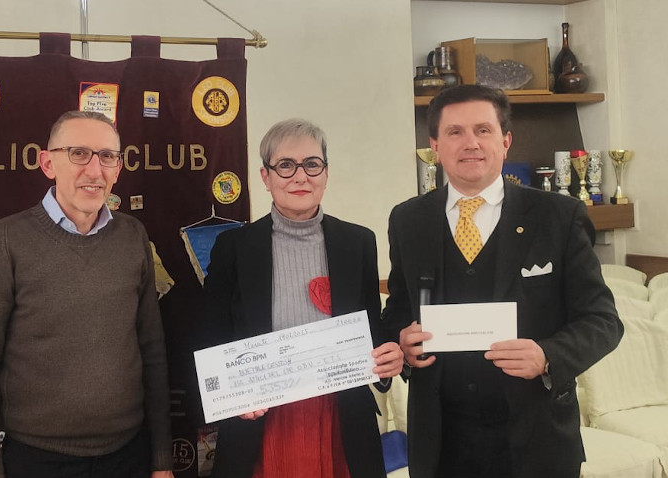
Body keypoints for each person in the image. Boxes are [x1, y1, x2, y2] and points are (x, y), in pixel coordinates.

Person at [384, 84, 623, 478]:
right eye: (455, 132)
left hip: (537, 441)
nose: (471, 143)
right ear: (435, 146)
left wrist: (547, 355)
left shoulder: (559, 216)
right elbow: (399, 310)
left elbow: (603, 321)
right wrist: (402, 341)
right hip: (440, 444)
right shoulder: (407, 220)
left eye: (483, 130)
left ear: (505, 141)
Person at [0, 110, 174, 478]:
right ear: (47, 163)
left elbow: (152, 348)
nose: (94, 170)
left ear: (118, 169)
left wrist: (162, 458)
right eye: (79, 153)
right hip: (37, 460)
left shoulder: (133, 235)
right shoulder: (3, 241)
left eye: (107, 156)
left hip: (128, 455)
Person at [198, 118, 403, 478]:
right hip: (261, 422)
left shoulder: (357, 242)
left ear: (326, 173)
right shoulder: (234, 247)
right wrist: (233, 398)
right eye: (285, 165)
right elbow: (210, 337)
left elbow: (371, 328)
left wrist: (388, 355)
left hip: (341, 420)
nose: (300, 176)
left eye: (311, 164)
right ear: (266, 177)